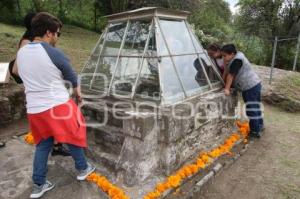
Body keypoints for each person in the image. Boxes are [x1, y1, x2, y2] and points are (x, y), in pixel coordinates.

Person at [16, 12, 95, 198]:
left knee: (43, 145)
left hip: (35, 109)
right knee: (73, 135)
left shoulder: (21, 52)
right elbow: (71, 76)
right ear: (49, 33)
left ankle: (39, 184)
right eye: (57, 33)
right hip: (57, 105)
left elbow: (19, 74)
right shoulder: (52, 52)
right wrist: (79, 94)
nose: (57, 38)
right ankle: (83, 169)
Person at [10, 12, 70, 157]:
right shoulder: (26, 42)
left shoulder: (40, 41)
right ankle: (54, 146)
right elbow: (16, 70)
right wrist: (36, 80)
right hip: (39, 89)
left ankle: (56, 144)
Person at [221, 44, 264, 138]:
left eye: (225, 56)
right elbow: (228, 71)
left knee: (251, 109)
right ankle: (260, 126)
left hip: (249, 86)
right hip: (255, 84)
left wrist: (227, 89)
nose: (223, 58)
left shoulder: (237, 60)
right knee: (256, 106)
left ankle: (255, 132)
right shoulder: (238, 56)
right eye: (222, 56)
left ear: (232, 54)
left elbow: (231, 75)